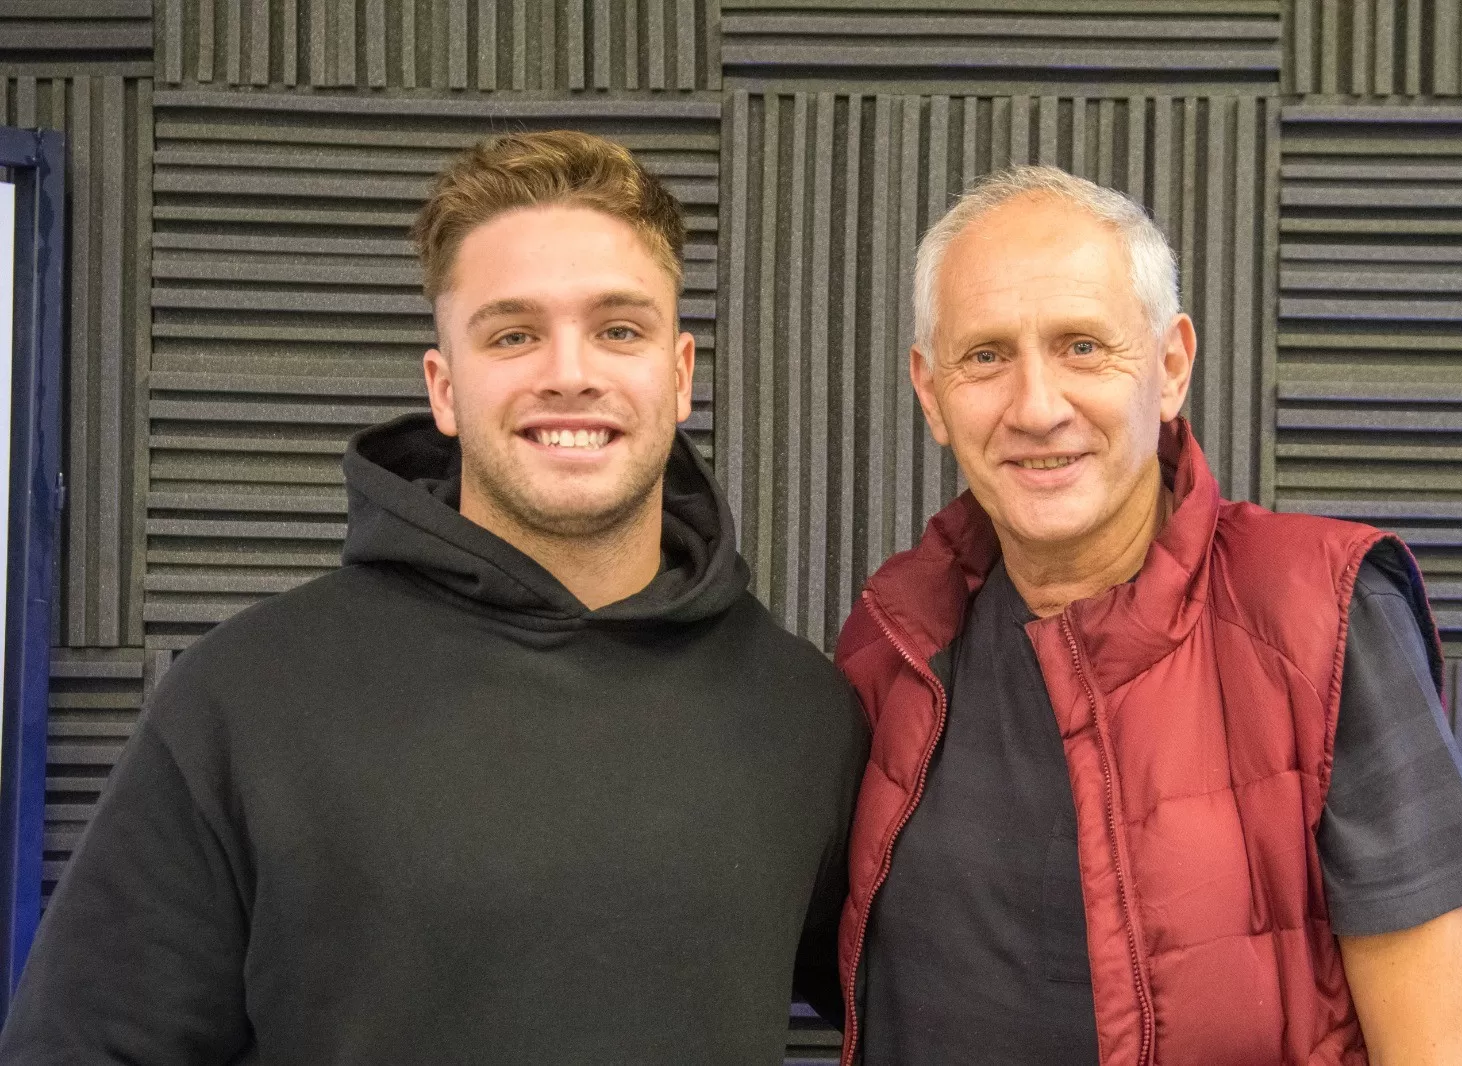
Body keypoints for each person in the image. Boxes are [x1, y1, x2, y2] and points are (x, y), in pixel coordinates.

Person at [0, 130, 866, 1065]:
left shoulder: (802, 716)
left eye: (619, 329)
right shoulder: (245, 699)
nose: (569, 373)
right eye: (513, 334)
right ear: (444, 388)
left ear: (681, 374)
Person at [832, 166, 1462, 1065]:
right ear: (931, 393)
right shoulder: (895, 640)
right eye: (986, 356)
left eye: (1082, 347)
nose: (1037, 407)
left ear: (1172, 366)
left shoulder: (1326, 616)